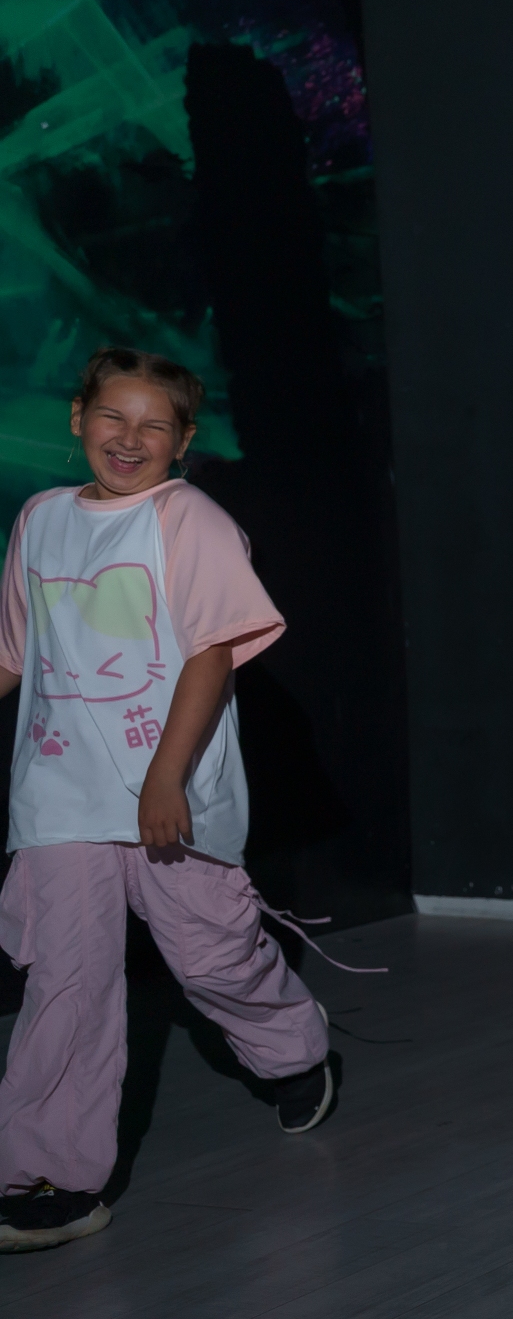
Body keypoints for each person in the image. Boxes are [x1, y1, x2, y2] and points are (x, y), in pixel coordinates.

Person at [0, 348, 337, 1254]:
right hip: (59, 795)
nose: (129, 438)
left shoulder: (188, 519)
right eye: (113, 416)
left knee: (211, 958)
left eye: (154, 426)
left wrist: (164, 777)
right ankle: (50, 1178)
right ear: (78, 418)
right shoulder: (39, 519)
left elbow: (211, 654)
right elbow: (15, 651)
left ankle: (295, 1048)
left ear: (182, 442)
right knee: (63, 982)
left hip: (168, 793)